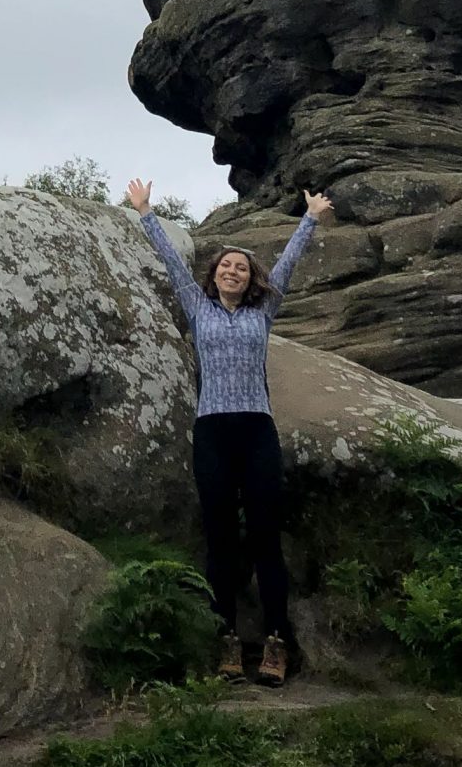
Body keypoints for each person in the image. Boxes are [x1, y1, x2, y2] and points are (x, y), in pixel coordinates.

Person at [124, 175, 335, 688]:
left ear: (251, 278)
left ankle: (277, 642)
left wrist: (309, 220)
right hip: (214, 432)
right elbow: (174, 265)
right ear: (214, 277)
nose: (233, 272)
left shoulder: (265, 310)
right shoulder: (197, 309)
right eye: (226, 266)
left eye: (241, 267)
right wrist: (146, 212)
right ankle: (226, 642)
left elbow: (287, 265)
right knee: (220, 541)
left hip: (257, 431)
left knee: (265, 539)